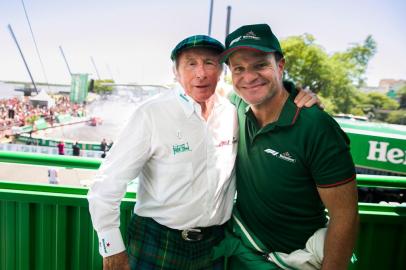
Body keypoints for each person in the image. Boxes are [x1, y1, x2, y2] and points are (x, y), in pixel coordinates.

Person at [88, 35, 318, 270]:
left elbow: (270, 98)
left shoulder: (233, 112)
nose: (201, 73)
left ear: (220, 70)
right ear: (175, 72)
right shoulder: (151, 114)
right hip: (157, 241)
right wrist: (112, 250)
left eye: (209, 63)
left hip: (214, 246)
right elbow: (106, 186)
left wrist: (296, 95)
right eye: (191, 63)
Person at [215, 24, 359, 270]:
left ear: (280, 65)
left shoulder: (316, 126)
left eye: (260, 65)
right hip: (244, 253)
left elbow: (345, 216)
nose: (248, 77)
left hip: (296, 260)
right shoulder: (234, 105)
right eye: (238, 68)